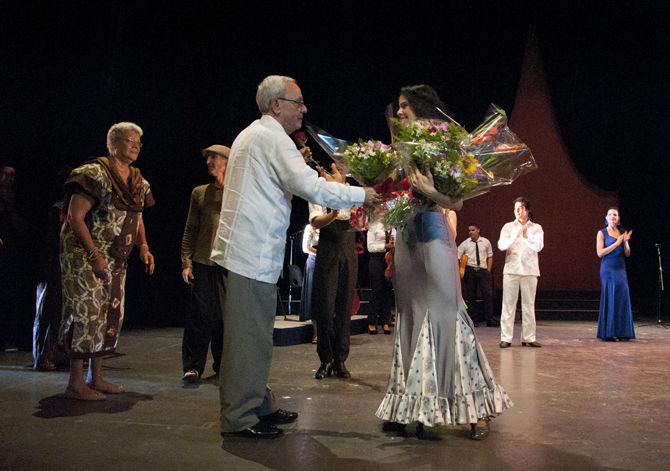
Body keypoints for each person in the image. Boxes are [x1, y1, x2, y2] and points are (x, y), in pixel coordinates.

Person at [210, 75, 380, 439]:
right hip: (248, 253)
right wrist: (362, 194)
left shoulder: (259, 135)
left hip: (252, 252)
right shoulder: (271, 138)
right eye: (297, 101)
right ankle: (240, 417)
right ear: (276, 105)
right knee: (246, 338)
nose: (303, 108)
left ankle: (257, 403)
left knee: (254, 336)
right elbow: (310, 186)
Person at [377, 85, 512, 441]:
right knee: (409, 318)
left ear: (421, 109)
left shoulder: (442, 144)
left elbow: (458, 201)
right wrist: (382, 182)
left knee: (446, 317)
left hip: (434, 231)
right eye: (399, 106)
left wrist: (430, 190)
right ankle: (413, 406)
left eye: (405, 106)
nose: (400, 111)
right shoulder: (399, 148)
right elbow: (387, 188)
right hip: (407, 236)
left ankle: (475, 409)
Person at [59, 122, 155, 401]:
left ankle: (95, 377)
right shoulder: (94, 173)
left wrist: (144, 247)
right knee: (86, 312)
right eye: (130, 141)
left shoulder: (138, 180)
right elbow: (75, 217)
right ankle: (75, 382)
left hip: (116, 256)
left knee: (108, 313)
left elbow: (137, 217)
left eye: (139, 142)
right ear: (113, 144)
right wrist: (94, 256)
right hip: (84, 254)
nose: (136, 146)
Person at [180, 145, 230, 383]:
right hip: (202, 262)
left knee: (225, 317)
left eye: (214, 157)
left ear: (228, 162)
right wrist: (186, 261)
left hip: (230, 264)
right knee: (200, 317)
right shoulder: (199, 192)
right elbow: (191, 228)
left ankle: (223, 365)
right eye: (207, 157)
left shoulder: (237, 192)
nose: (209, 161)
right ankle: (193, 367)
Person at [309, 203, 357, 379]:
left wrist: (361, 215)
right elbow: (316, 222)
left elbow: (362, 224)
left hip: (348, 246)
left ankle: (340, 360)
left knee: (345, 308)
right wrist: (334, 214)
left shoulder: (352, 192)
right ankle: (326, 359)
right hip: (328, 247)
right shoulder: (321, 191)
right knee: (326, 307)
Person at [498, 197, 544, 348]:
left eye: (520, 208)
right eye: (515, 208)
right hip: (511, 270)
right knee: (508, 305)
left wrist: (526, 237)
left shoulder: (536, 228)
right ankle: (506, 338)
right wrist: (515, 237)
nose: (517, 211)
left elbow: (538, 247)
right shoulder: (508, 227)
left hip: (530, 271)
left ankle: (528, 337)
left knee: (528, 305)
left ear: (527, 210)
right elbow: (501, 245)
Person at [596, 207, 634, 341]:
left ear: (618, 219)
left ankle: (622, 331)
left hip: (620, 268)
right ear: (606, 218)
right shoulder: (602, 233)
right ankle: (609, 332)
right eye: (610, 214)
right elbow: (600, 253)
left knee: (622, 296)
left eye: (615, 215)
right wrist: (616, 243)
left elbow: (627, 253)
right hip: (608, 269)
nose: (612, 216)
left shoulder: (622, 232)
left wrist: (625, 242)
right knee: (610, 295)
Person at [0, 163, 27, 352]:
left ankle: (9, 338)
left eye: (13, 175)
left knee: (10, 294)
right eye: (5, 174)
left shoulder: (15, 199)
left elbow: (22, 228)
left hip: (10, 253)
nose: (9, 179)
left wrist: (10, 208)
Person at [458, 223, 497, 327]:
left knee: (487, 295)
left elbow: (490, 256)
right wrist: (461, 269)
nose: (471, 232)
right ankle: (473, 319)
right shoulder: (465, 243)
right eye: (469, 230)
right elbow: (457, 256)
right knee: (471, 296)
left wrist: (487, 271)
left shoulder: (485, 242)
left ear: (478, 230)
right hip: (470, 270)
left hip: (482, 271)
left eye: (473, 230)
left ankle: (489, 319)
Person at [366, 217, 394, 335]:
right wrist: (385, 246)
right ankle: (372, 321)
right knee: (376, 290)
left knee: (387, 291)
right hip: (376, 259)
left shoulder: (392, 228)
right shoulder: (373, 227)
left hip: (389, 259)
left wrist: (393, 246)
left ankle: (385, 321)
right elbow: (370, 247)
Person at [298, 223, 319, 343]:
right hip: (314, 261)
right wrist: (320, 252)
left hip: (327, 262)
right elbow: (305, 248)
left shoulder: (328, 226)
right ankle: (316, 333)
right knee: (314, 297)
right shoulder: (309, 227)